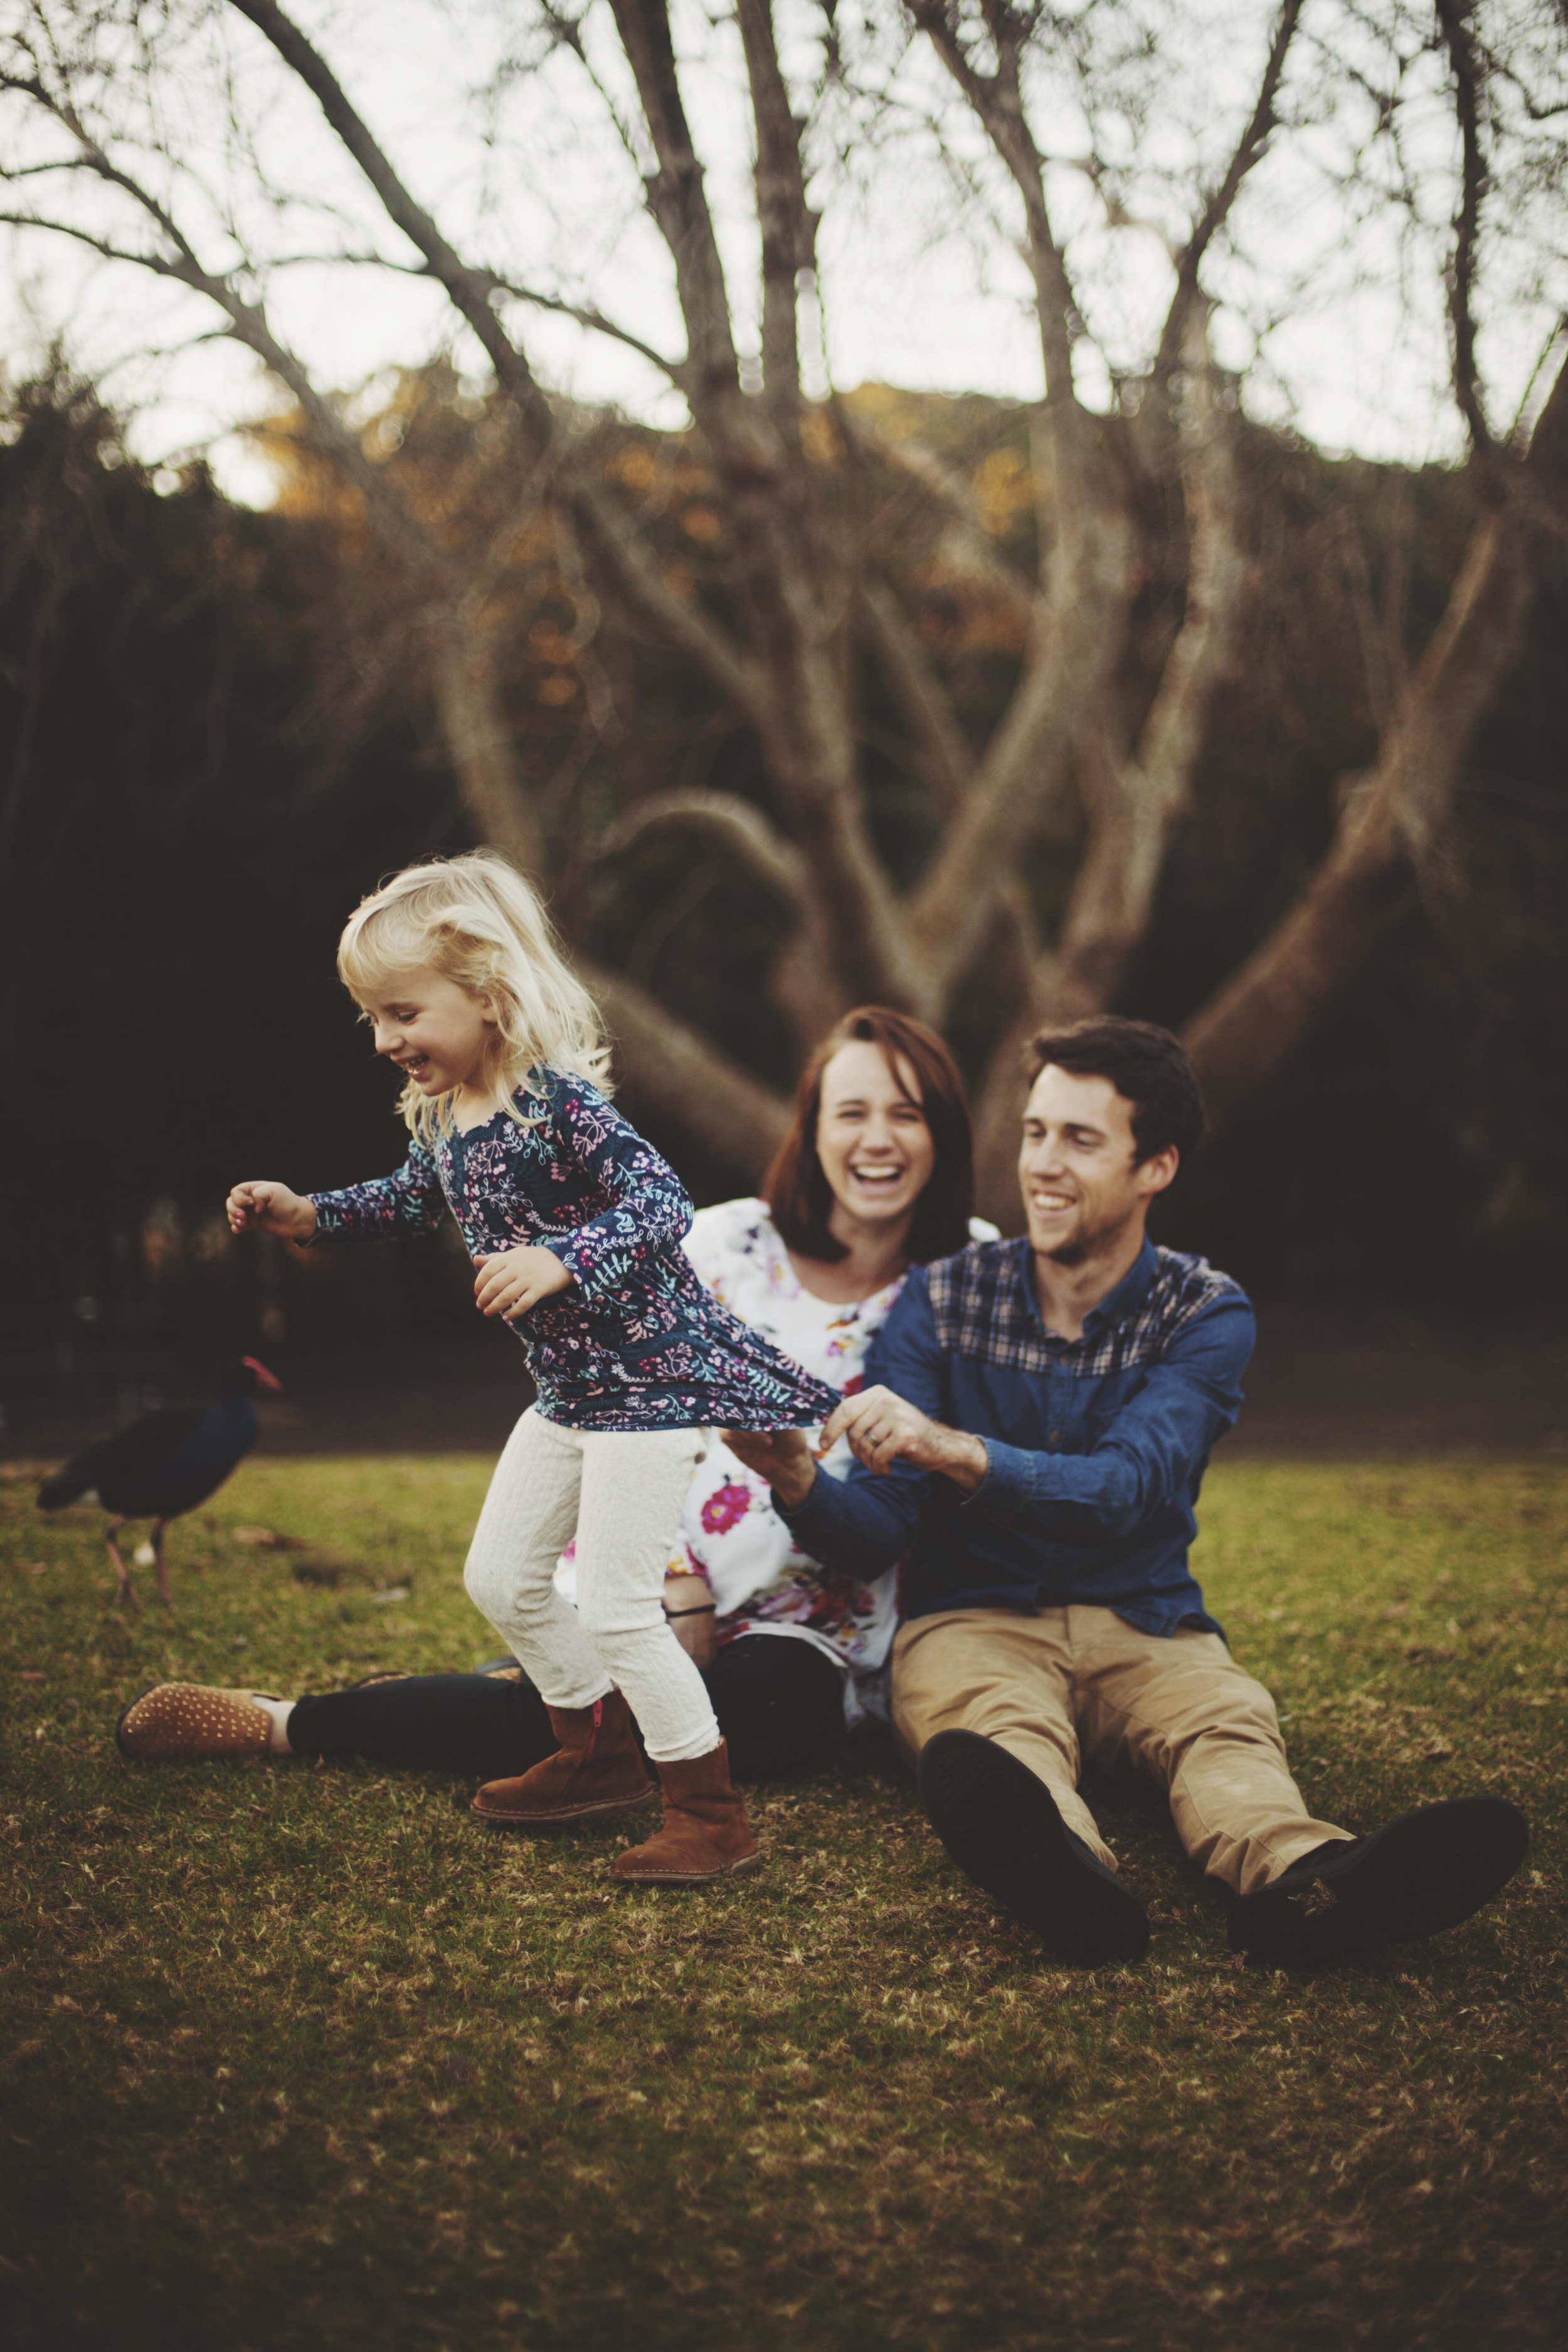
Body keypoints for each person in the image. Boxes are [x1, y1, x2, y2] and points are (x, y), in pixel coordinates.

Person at [728, 1017, 1529, 1969]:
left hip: (1147, 1618)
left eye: (1080, 1139)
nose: (1043, 1165)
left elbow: (1126, 1487)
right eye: (1034, 1133)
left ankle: (1310, 1879)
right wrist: (797, 1477)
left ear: (1156, 1167)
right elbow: (876, 1534)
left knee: (1222, 1732)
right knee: (991, 1735)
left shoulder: (1203, 1312)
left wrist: (954, 1448)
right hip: (972, 1621)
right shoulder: (939, 1301)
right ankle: (1070, 1873)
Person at [119, 1008, 992, 1788]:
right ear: (812, 1129)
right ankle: (289, 1722)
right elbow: (606, 1385)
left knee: (758, 1721)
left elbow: (898, 1512)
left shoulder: (965, 1285)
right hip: (643, 1567)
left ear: (943, 1134)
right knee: (591, 1704)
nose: (878, 1138)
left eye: (906, 1114)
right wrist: (671, 1582)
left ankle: (447, 1705)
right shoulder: (727, 1238)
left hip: (805, 1621)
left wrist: (801, 1481)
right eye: (852, 1111)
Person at [220, 850, 838, 1888]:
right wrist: (312, 1215)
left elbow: (659, 1202)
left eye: (404, 1011)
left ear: (487, 991)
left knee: (617, 1603)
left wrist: (562, 1256)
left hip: (649, 1385)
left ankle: (708, 1809)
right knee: (499, 1575)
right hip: (574, 1396)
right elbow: (412, 1199)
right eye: (373, 1018)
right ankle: (594, 1752)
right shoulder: (453, 1116)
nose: (385, 1040)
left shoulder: (555, 1102)